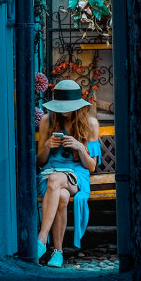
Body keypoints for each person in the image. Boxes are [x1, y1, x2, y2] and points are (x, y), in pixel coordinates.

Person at [36, 79, 100, 267]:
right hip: (49, 174)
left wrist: (80, 148)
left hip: (76, 175)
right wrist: (47, 146)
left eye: (68, 105)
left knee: (57, 181)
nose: (64, 109)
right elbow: (40, 161)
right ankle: (58, 252)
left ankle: (41, 239)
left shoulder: (91, 124)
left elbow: (91, 167)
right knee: (62, 196)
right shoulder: (47, 121)